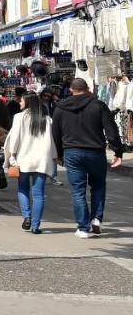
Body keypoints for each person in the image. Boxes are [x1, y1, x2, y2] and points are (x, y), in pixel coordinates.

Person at [51, 78, 122, 238]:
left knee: (77, 191)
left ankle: (83, 227)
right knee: (98, 186)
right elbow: (111, 130)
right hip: (95, 152)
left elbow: (55, 134)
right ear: (88, 88)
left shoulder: (60, 108)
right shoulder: (98, 105)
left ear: (70, 90)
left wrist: (59, 154)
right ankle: (96, 219)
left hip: (72, 152)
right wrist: (118, 151)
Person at [4, 92, 54, 234]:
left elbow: (15, 139)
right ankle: (36, 226)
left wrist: (12, 155)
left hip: (23, 159)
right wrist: (54, 157)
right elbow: (51, 140)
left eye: (21, 101)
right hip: (42, 160)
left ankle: (27, 217)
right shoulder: (47, 119)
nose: (19, 103)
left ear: (28, 103)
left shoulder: (19, 118)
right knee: (38, 194)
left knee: (23, 189)